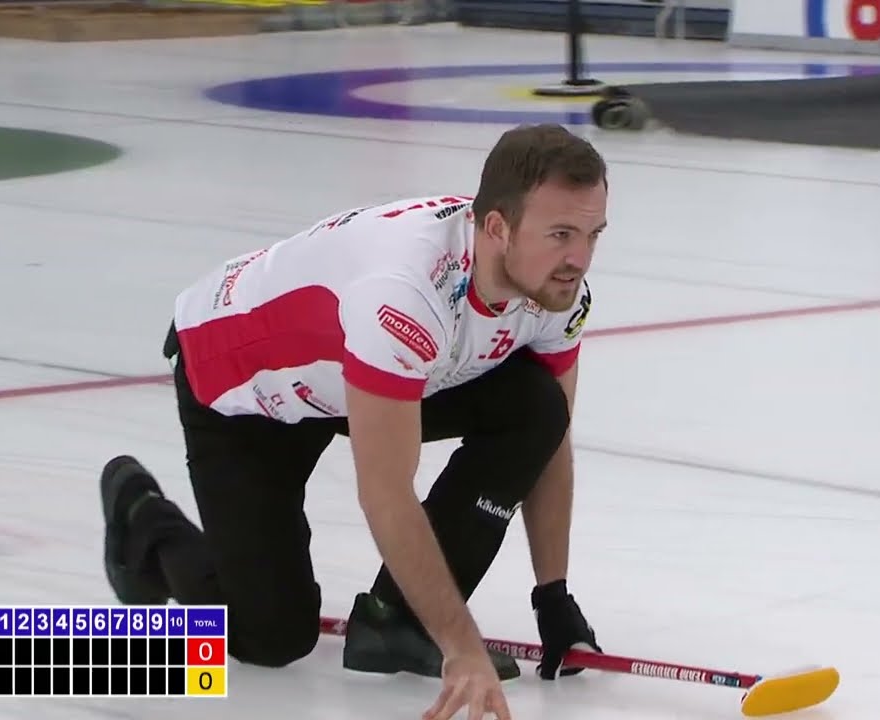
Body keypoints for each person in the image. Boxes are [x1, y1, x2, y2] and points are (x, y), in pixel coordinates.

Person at [97, 123, 607, 720]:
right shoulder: (403, 294)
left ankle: (396, 621)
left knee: (538, 406)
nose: (579, 259)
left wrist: (553, 596)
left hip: (344, 376)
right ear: (497, 226)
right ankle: (144, 524)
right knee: (271, 637)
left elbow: (550, 442)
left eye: (593, 234)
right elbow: (385, 493)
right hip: (244, 388)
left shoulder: (554, 286)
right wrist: (462, 646)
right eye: (561, 234)